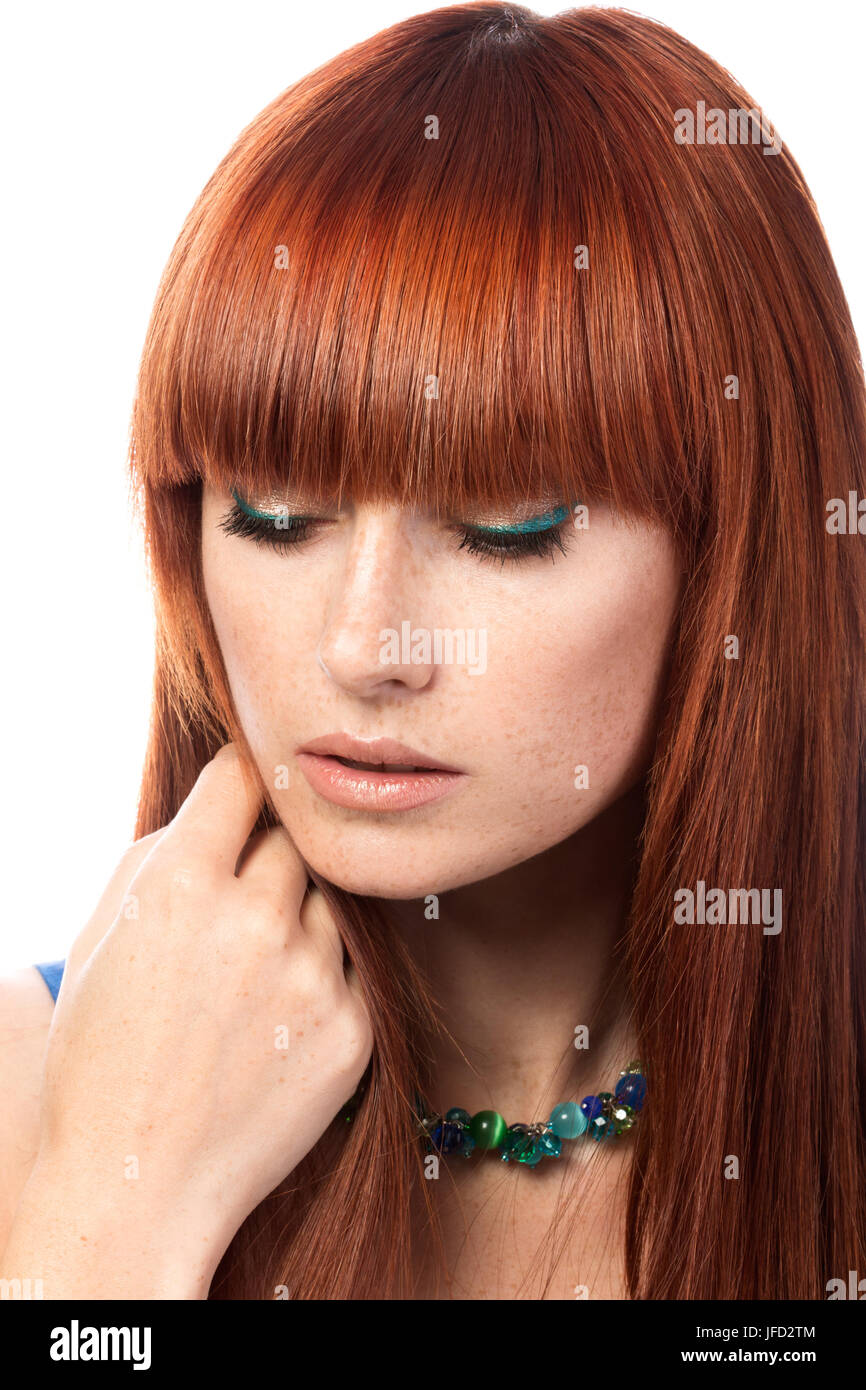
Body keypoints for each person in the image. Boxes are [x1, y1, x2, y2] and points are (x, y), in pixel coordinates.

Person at [1, 2, 864, 1300]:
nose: (363, 644)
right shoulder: (31, 1089)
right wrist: (112, 1216)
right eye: (275, 514)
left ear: (731, 554)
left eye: (505, 526)